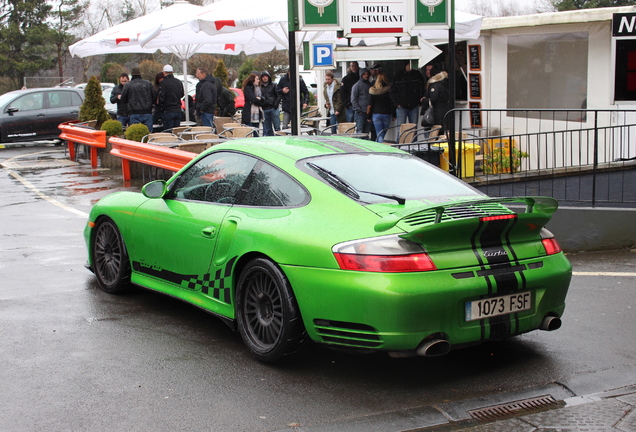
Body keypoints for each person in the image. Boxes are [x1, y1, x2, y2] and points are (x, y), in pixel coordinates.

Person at [390, 60, 425, 135]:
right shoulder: (399, 75)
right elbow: (392, 91)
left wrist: (418, 102)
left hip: (413, 105)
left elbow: (422, 88)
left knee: (413, 129)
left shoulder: (417, 75)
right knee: (401, 129)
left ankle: (413, 145)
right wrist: (397, 103)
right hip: (402, 106)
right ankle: (400, 144)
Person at [120, 66, 155, 133]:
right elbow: (154, 97)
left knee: (136, 134)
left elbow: (123, 99)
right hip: (147, 112)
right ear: (140, 74)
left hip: (134, 113)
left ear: (132, 74)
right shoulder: (148, 84)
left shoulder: (128, 85)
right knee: (148, 134)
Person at [421, 63, 450, 137]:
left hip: (435, 115)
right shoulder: (443, 83)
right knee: (439, 135)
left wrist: (424, 100)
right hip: (442, 114)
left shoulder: (435, 85)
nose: (428, 72)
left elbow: (433, 99)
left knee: (431, 135)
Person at [368, 72, 394, 143]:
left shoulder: (373, 90)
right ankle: (379, 147)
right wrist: (394, 115)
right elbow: (392, 102)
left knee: (379, 133)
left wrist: (368, 116)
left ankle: (378, 146)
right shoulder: (389, 90)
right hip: (387, 113)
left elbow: (370, 104)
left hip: (376, 113)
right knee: (382, 133)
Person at [157, 64, 184, 131]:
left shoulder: (163, 83)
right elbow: (182, 94)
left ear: (164, 72)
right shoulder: (178, 82)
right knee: (176, 132)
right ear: (172, 72)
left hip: (168, 111)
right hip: (178, 110)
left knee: (169, 133)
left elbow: (161, 98)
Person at [350, 68, 373, 138]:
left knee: (367, 132)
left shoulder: (370, 85)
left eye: (367, 74)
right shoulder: (356, 86)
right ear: (361, 75)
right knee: (360, 131)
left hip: (368, 112)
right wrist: (358, 110)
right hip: (360, 113)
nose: (366, 76)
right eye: (364, 74)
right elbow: (353, 99)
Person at [259, 70, 280, 136]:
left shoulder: (274, 85)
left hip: (273, 108)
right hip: (265, 109)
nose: (265, 78)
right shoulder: (260, 87)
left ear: (268, 77)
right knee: (267, 128)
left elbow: (279, 95)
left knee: (277, 126)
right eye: (263, 76)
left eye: (266, 76)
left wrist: (276, 104)